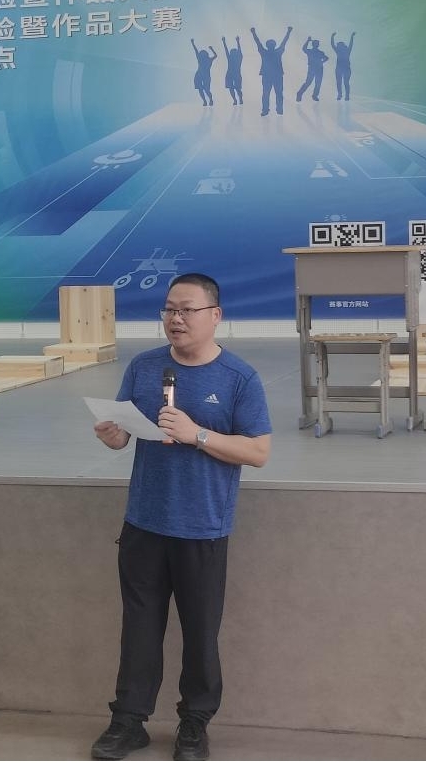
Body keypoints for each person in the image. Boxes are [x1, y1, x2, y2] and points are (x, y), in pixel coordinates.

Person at [90, 273, 273, 761]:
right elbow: (125, 434)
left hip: (202, 527)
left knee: (200, 633)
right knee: (139, 628)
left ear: (215, 316)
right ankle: (128, 721)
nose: (175, 319)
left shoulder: (239, 378)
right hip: (144, 522)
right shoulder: (144, 366)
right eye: (169, 309)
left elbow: (258, 452)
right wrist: (113, 436)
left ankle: (194, 723)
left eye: (187, 310)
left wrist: (198, 435)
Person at [250, 25, 292, 115]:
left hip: (270, 76)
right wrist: (288, 32)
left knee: (269, 94)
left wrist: (253, 33)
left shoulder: (266, 52)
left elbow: (258, 42)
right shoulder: (276, 52)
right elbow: (284, 42)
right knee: (274, 93)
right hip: (274, 76)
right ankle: (275, 109)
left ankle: (270, 110)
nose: (271, 45)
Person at [294, 36, 328, 102]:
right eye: (316, 44)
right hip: (312, 68)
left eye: (317, 44)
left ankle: (314, 95)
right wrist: (308, 41)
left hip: (319, 69)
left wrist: (322, 62)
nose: (317, 45)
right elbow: (304, 48)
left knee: (317, 83)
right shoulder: (311, 51)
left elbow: (326, 58)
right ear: (314, 45)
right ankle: (300, 93)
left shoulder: (320, 52)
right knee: (308, 82)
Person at [191, 39, 218, 106]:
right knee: (201, 89)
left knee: (206, 89)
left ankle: (210, 100)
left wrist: (193, 43)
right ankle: (205, 101)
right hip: (199, 75)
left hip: (205, 76)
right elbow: (196, 51)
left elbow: (215, 56)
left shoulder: (208, 60)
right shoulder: (201, 59)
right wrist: (193, 43)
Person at [331, 31, 355, 101]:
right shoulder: (344, 51)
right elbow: (333, 45)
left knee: (343, 82)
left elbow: (351, 44)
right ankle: (342, 95)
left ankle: (344, 95)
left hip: (344, 69)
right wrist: (332, 36)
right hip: (342, 69)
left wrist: (332, 36)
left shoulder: (344, 51)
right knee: (343, 82)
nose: (338, 46)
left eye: (339, 45)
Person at [221, 35, 243, 106]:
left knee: (237, 88)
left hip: (235, 74)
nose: (232, 53)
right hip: (230, 74)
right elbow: (226, 51)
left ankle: (239, 98)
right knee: (231, 88)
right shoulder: (231, 58)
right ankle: (235, 100)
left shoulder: (239, 58)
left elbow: (239, 50)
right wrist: (224, 42)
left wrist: (238, 41)